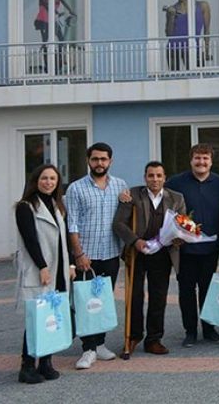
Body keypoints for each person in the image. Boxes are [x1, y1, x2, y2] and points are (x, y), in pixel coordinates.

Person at [113, 161, 187, 355]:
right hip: (137, 253)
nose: (155, 179)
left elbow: (183, 225)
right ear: (145, 177)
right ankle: (133, 336)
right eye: (151, 175)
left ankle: (154, 339)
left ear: (164, 177)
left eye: (158, 176)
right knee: (134, 295)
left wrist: (180, 239)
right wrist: (135, 241)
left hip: (162, 254)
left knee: (158, 297)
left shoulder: (176, 198)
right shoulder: (132, 194)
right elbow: (119, 224)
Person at [65, 142, 128, 369]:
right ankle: (87, 349)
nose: (99, 163)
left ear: (110, 161)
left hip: (110, 254)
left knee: (103, 301)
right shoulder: (76, 188)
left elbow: (125, 217)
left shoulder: (120, 186)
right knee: (86, 303)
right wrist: (78, 254)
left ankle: (100, 344)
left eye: (103, 159)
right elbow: (72, 224)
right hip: (87, 256)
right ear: (88, 161)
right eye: (95, 159)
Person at [164, 143, 219, 347]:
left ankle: (209, 329)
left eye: (205, 158)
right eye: (197, 158)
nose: (201, 162)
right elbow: (165, 208)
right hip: (185, 249)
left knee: (208, 290)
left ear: (211, 161)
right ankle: (190, 331)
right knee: (186, 290)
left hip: (210, 248)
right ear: (191, 160)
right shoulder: (175, 182)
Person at [15, 164, 74, 384]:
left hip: (59, 269)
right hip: (41, 270)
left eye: (52, 178)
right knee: (35, 319)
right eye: (44, 178)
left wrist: (71, 266)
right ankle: (27, 366)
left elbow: (64, 238)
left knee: (52, 317)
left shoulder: (58, 205)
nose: (48, 182)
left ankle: (46, 363)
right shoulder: (25, 207)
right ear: (35, 180)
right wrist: (42, 266)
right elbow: (30, 239)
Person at [164, 0, 211, 71]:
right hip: (174, 49)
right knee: (175, 80)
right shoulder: (172, 9)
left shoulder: (203, 6)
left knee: (198, 78)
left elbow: (206, 31)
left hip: (194, 49)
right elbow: (168, 34)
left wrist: (206, 51)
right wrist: (171, 16)